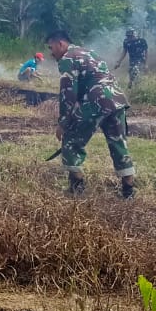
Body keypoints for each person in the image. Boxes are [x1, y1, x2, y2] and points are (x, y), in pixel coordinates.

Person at [46, 30, 135, 199]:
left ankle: (76, 187)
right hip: (117, 99)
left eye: (52, 48)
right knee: (119, 143)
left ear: (61, 44)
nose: (51, 53)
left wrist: (63, 123)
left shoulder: (68, 58)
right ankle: (128, 191)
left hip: (96, 102)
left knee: (71, 140)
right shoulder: (88, 52)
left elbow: (68, 95)